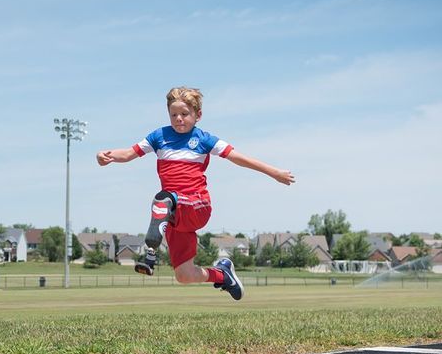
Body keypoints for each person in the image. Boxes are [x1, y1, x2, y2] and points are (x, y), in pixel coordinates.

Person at [96, 86, 295, 300]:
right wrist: (106, 155)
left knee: (163, 198)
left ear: (198, 115)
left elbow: (239, 158)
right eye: (174, 114)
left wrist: (274, 172)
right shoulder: (159, 136)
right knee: (184, 275)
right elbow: (127, 153)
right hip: (173, 215)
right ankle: (222, 274)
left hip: (197, 205)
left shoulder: (204, 139)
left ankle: (150, 251)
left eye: (184, 114)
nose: (179, 118)